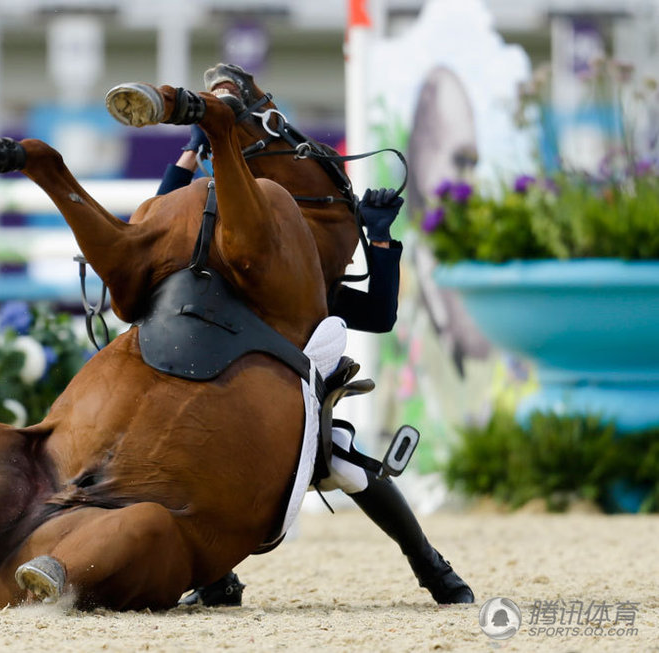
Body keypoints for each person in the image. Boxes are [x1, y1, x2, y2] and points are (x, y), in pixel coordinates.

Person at [161, 126, 474, 608]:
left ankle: (430, 565)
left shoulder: (306, 281)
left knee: (345, 465)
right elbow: (157, 220)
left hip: (283, 412)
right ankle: (215, 578)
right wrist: (190, 152)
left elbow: (379, 315)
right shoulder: (220, 258)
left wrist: (380, 237)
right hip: (206, 396)